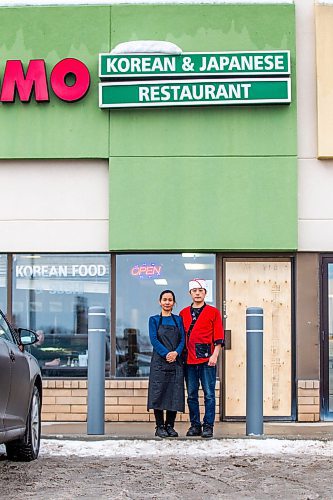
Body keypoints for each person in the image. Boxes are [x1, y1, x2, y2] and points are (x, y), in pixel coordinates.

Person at [180, 279, 224, 438]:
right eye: (194, 290)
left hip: (207, 359)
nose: (197, 293)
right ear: (190, 293)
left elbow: (219, 335)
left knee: (209, 394)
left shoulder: (213, 312)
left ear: (205, 292)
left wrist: (215, 354)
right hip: (188, 360)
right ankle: (195, 425)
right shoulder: (183, 313)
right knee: (191, 394)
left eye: (200, 290)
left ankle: (208, 425)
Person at [147, 289, 185, 438]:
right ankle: (160, 426)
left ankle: (170, 426)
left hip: (175, 362)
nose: (167, 302)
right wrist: (166, 353)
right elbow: (154, 339)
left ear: (174, 303)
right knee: (159, 393)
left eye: (170, 300)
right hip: (159, 363)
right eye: (165, 299)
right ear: (160, 302)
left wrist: (176, 353)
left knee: (174, 394)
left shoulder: (178, 320)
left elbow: (183, 339)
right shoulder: (154, 320)